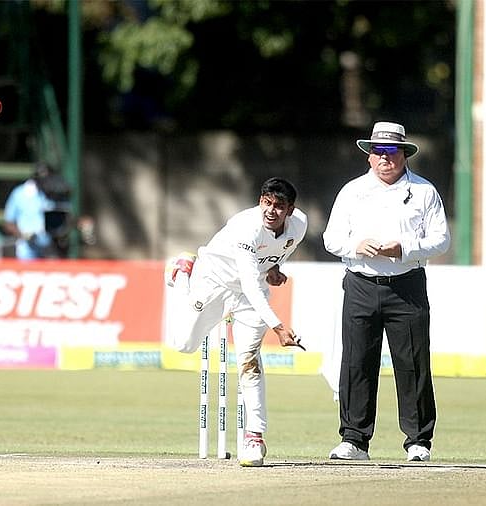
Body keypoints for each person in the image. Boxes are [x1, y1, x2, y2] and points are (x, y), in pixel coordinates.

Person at [322, 121, 450, 462]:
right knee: (356, 363)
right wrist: (356, 246)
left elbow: (441, 239)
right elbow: (331, 238)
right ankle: (354, 440)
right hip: (361, 283)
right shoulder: (352, 191)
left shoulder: (423, 192)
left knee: (413, 364)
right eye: (378, 151)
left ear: (404, 155)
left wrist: (404, 248)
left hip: (406, 285)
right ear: (368, 156)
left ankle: (418, 441)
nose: (384, 158)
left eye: (391, 152)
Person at [164, 177, 307, 467]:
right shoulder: (247, 227)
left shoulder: (300, 225)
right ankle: (182, 272)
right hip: (213, 281)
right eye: (266, 203)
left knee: (249, 361)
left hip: (249, 291)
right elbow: (250, 284)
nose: (271, 211)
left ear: (290, 210)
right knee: (184, 345)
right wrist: (278, 327)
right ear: (260, 201)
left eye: (279, 207)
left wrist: (275, 268)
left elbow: (274, 253)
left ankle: (254, 437)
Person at [3, 162, 90, 259]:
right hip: (28, 253)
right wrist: (24, 235)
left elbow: (66, 218)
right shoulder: (19, 194)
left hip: (53, 251)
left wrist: (80, 224)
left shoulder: (57, 193)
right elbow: (8, 223)